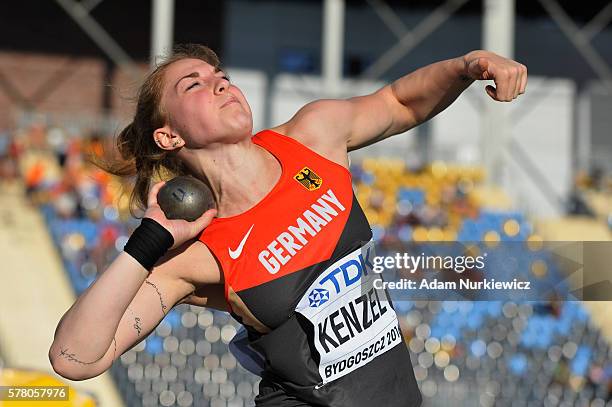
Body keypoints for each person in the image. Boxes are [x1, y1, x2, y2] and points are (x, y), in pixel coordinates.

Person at [49, 43, 527, 406]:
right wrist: (149, 242)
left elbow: (401, 103)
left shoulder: (313, 137)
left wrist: (467, 66)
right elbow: (76, 357)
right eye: (193, 84)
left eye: (221, 76)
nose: (220, 84)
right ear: (168, 134)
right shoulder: (197, 253)